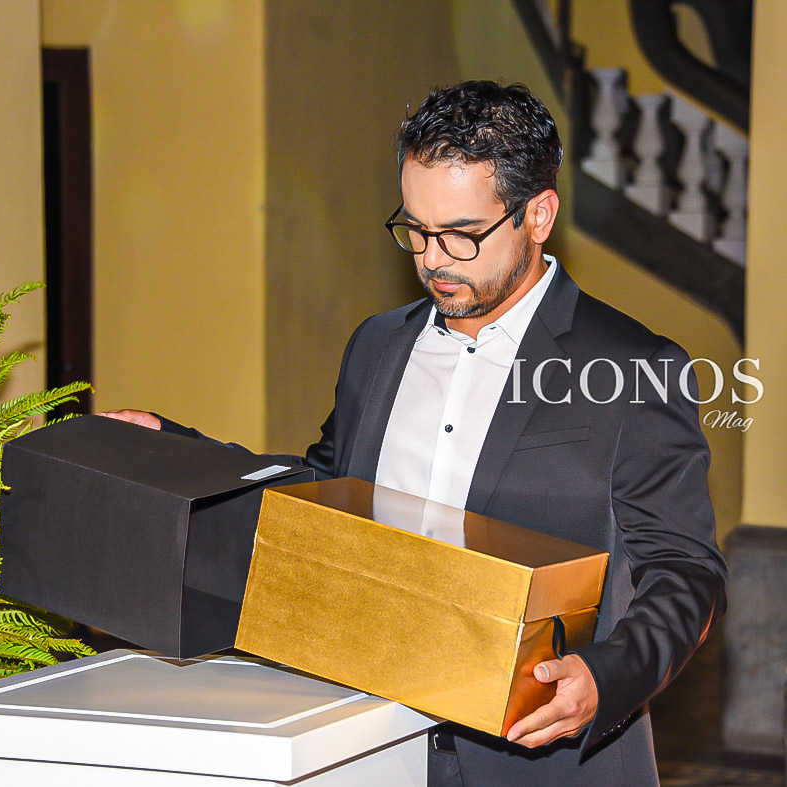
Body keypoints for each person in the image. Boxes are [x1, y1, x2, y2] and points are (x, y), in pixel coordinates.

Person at [105, 80, 727, 786]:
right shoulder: (377, 345)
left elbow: (686, 570)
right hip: (369, 742)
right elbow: (327, 491)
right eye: (416, 230)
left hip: (541, 758)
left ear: (538, 215)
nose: (432, 258)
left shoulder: (634, 368)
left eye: (461, 234)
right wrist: (178, 449)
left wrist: (604, 677)